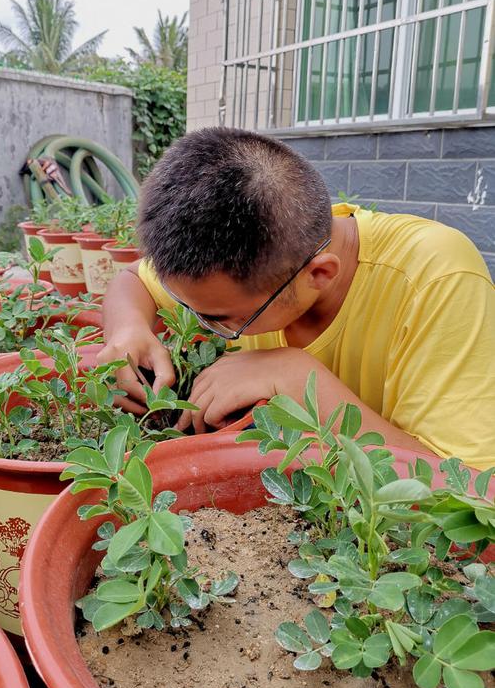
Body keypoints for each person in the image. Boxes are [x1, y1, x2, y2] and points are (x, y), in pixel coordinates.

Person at [98, 128, 495, 471]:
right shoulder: (234, 262)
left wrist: (294, 377)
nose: (217, 332)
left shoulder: (436, 275)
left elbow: (469, 490)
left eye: (221, 319)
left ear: (319, 274)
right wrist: (127, 329)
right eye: (189, 309)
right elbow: (132, 279)